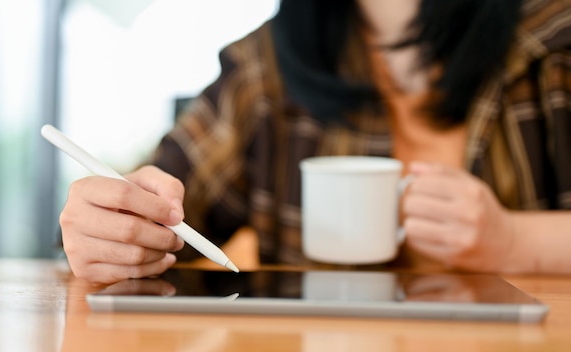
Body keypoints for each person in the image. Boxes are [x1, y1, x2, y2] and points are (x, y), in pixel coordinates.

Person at [59, 0, 571, 284]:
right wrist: (112, 229)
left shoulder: (553, 42)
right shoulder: (262, 70)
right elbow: (152, 211)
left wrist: (513, 241)